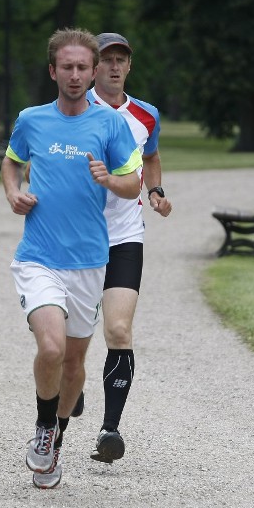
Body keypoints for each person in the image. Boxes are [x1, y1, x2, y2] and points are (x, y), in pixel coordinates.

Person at [2, 28, 143, 489]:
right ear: (53, 71)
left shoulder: (109, 124)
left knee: (74, 365)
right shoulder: (32, 119)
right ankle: (44, 426)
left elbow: (132, 183)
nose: (77, 75)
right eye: (68, 67)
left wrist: (108, 179)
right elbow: (11, 160)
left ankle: (57, 434)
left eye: (85, 67)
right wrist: (13, 191)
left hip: (88, 261)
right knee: (51, 347)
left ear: (94, 70)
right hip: (39, 256)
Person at [85, 32, 173, 464]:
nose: (115, 67)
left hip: (124, 237)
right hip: (76, 239)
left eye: (121, 60)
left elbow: (150, 157)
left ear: (129, 66)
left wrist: (155, 192)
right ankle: (67, 392)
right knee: (69, 341)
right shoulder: (75, 109)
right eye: (107, 60)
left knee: (118, 331)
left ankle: (110, 430)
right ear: (93, 66)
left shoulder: (146, 114)